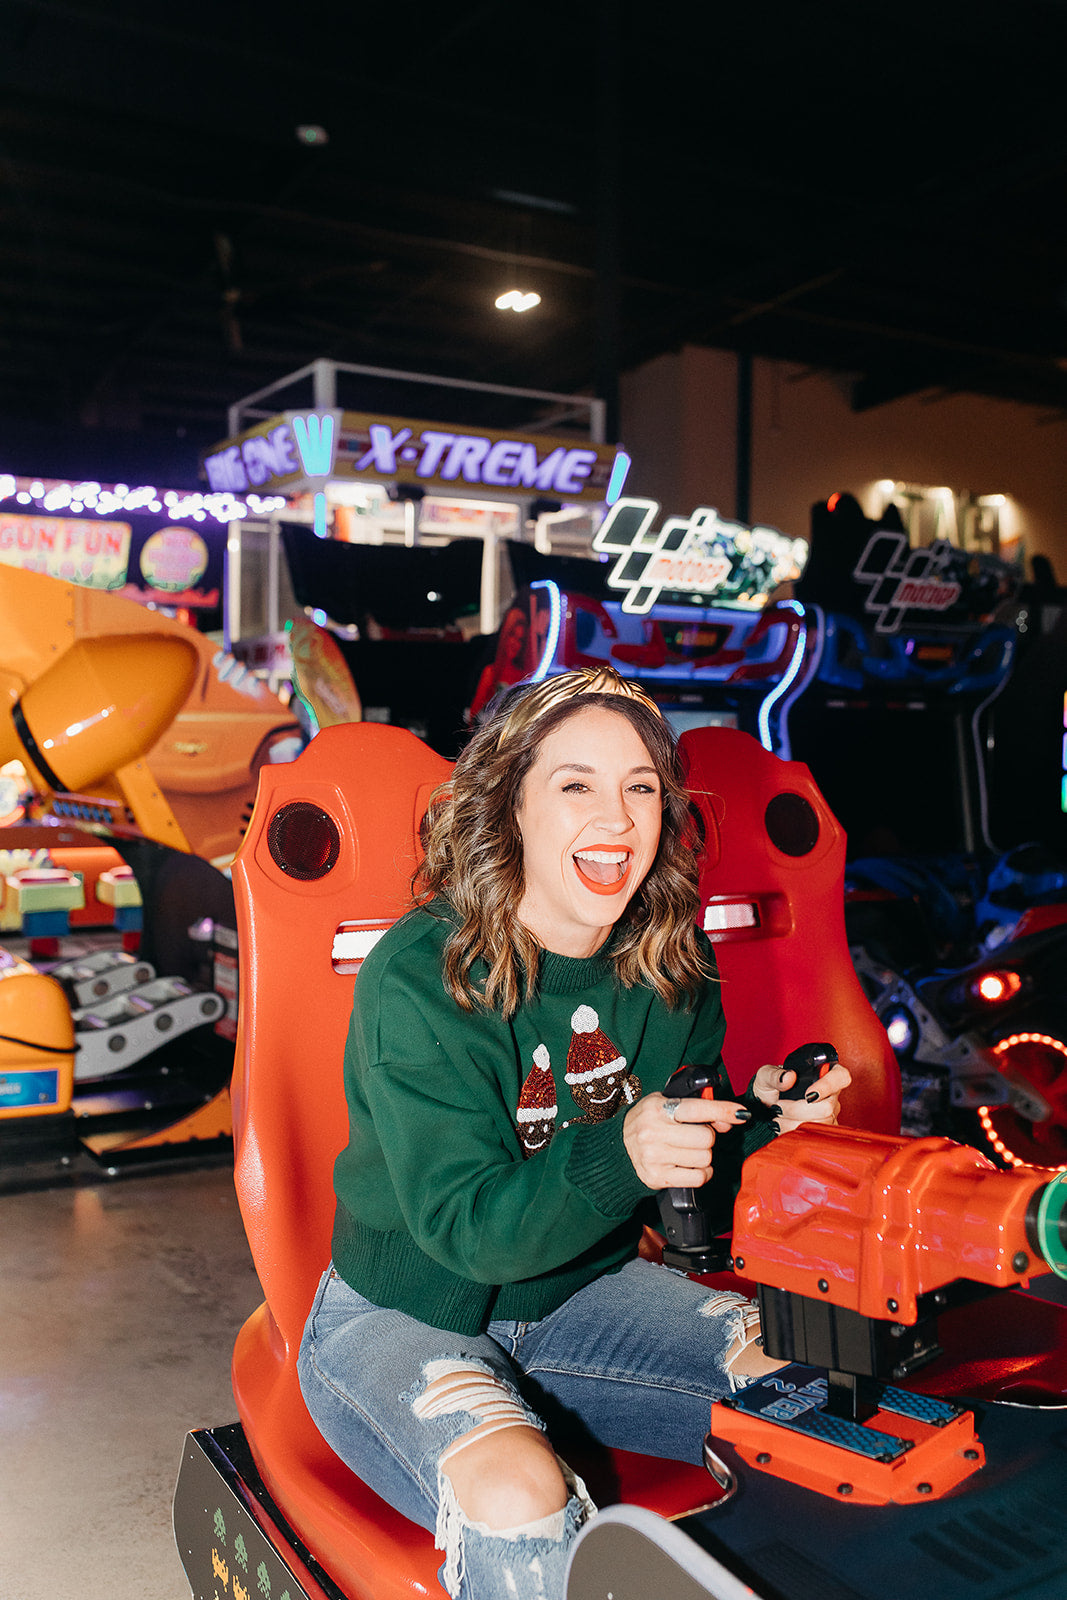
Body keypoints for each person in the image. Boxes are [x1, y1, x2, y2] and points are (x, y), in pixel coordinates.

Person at [298, 665, 850, 1600]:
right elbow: (467, 1232)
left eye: (641, 787)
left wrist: (764, 1130)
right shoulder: (420, 974)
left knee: (816, 1383)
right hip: (401, 1310)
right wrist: (626, 1148)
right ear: (508, 806)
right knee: (517, 1490)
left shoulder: (672, 959)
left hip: (583, 1295)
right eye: (576, 786)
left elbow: (685, 1184)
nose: (620, 818)